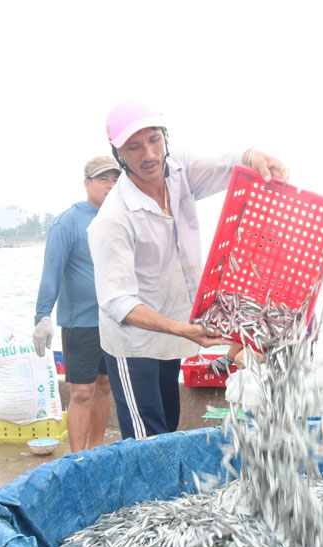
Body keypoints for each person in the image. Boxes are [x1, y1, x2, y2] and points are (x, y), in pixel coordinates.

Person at [88, 101, 289, 440]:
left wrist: (254, 155)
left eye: (154, 140)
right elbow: (118, 302)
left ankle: (164, 491)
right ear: (118, 152)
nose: (149, 154)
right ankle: (146, 493)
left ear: (165, 137)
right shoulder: (113, 219)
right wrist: (183, 329)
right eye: (134, 147)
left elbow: (229, 163)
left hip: (175, 333)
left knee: (168, 425)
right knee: (145, 441)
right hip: (134, 343)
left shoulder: (178, 169)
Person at [32, 155, 121, 453]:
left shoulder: (119, 217)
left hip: (113, 320)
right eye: (102, 180)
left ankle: (95, 451)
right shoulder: (68, 221)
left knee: (105, 386)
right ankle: (78, 457)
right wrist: (42, 315)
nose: (110, 186)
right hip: (80, 322)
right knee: (82, 391)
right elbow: (51, 271)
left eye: (115, 179)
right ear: (87, 184)